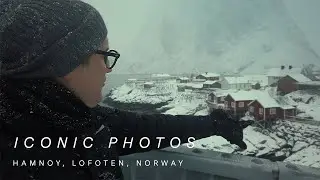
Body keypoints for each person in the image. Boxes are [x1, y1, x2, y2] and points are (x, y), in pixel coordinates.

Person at [0, 0, 248, 179]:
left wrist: (212, 125)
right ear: (67, 63)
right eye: (106, 55)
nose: (109, 69)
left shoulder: (72, 117)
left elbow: (143, 128)